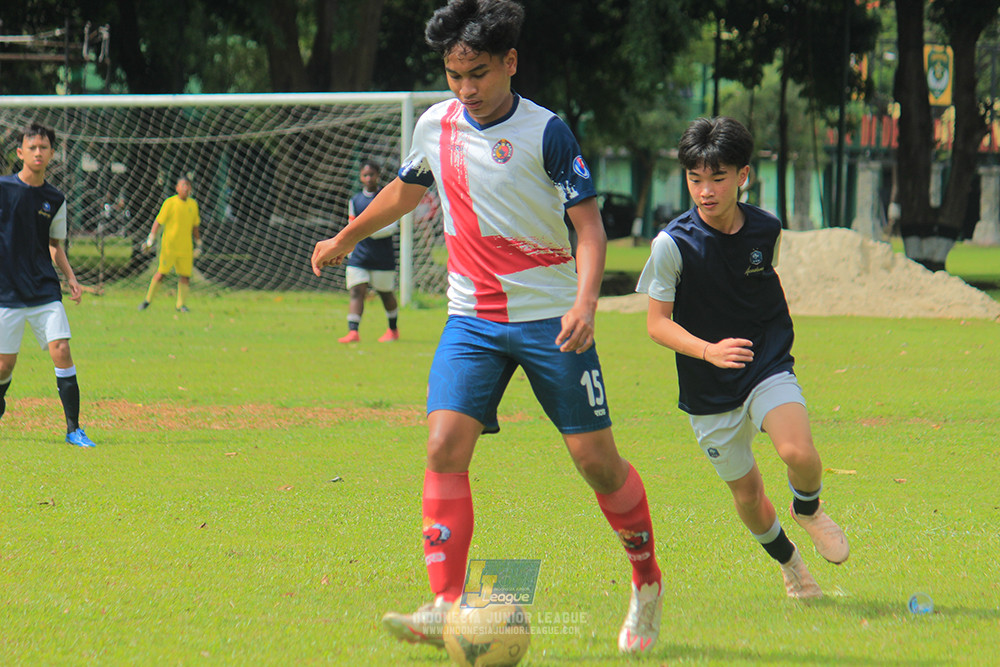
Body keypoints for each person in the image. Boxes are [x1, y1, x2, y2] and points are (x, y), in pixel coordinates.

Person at [311, 0, 663, 654]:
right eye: (454, 75)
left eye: (478, 74)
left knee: (597, 462)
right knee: (443, 444)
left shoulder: (547, 132)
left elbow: (589, 227)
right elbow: (407, 191)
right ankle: (445, 605)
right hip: (470, 320)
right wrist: (347, 236)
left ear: (510, 62)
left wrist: (585, 304)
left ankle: (646, 582)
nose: (466, 88)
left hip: (551, 321)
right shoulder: (435, 125)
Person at [637, 117, 849, 600]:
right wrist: (708, 350)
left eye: (718, 178)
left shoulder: (766, 229)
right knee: (748, 495)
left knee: (798, 453)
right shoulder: (672, 245)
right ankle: (791, 565)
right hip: (707, 387)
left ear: (743, 176)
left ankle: (808, 508)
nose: (705, 191)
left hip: (764, 363)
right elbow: (656, 324)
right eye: (695, 179)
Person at [0, 123, 96, 448]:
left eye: (44, 147)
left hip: (43, 289)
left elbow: (56, 245)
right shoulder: (3, 188)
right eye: (32, 147)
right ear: (20, 152)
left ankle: (73, 429)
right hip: (6, 291)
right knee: (4, 366)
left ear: (52, 153)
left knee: (62, 350)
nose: (38, 152)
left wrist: (71, 277)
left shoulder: (55, 198)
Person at [338, 159, 401, 343]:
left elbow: (391, 226)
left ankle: (393, 329)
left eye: (371, 174)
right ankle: (353, 332)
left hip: (382, 255)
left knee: (385, 293)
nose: (368, 178)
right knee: (356, 291)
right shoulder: (355, 200)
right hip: (359, 254)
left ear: (378, 175)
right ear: (360, 177)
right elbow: (352, 225)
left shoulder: (386, 197)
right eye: (365, 175)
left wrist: (366, 230)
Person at [138, 176, 202, 313]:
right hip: (169, 247)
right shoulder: (170, 203)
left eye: (188, 185)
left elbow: (195, 226)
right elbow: (158, 221)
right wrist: (151, 239)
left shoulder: (193, 205)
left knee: (185, 275)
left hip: (186, 248)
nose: (185, 188)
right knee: (161, 273)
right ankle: (147, 300)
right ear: (177, 188)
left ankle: (181, 305)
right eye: (183, 185)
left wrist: (199, 243)